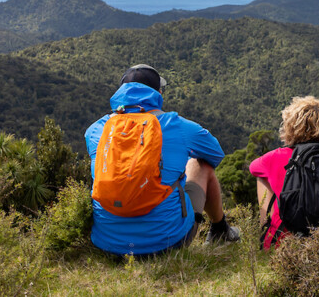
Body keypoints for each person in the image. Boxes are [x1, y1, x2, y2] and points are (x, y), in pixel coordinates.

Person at [85, 64, 240, 256]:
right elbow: (215, 154)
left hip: (108, 244)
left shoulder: (95, 130)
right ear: (158, 93)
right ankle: (220, 230)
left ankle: (119, 232)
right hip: (167, 242)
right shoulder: (178, 125)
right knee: (201, 164)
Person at [249, 96, 319, 249]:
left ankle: (267, 229)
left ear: (290, 126)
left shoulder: (274, 157)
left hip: (285, 243)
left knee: (262, 176)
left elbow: (253, 168)